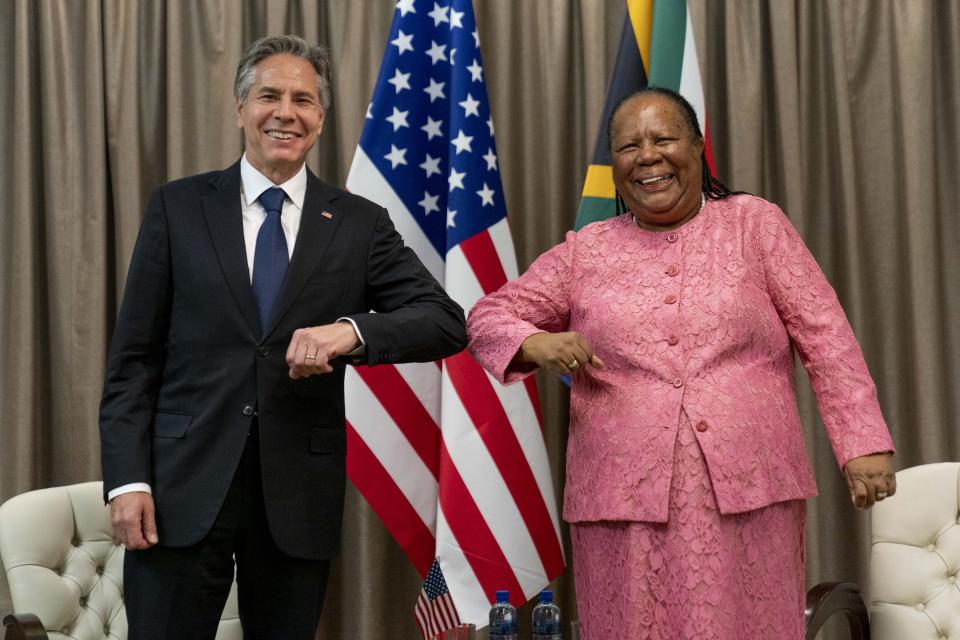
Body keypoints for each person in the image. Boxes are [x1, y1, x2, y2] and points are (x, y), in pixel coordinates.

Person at [466, 87, 895, 639]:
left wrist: (862, 444)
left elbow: (827, 336)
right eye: (629, 146)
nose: (648, 155)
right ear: (615, 166)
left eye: (664, 138)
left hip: (749, 489)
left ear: (697, 148)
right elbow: (486, 316)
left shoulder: (754, 225)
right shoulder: (586, 251)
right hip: (621, 500)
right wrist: (530, 342)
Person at [99, 35, 466, 640]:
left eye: (303, 99)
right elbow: (133, 360)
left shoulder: (358, 222)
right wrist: (128, 480)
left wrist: (349, 332)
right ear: (241, 107)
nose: (285, 112)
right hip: (180, 490)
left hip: (296, 498)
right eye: (269, 95)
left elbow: (443, 319)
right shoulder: (178, 207)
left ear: (320, 119)